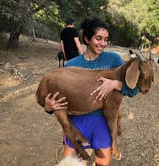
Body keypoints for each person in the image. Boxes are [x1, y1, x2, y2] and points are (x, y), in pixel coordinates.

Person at [45, 18, 139, 166]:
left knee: (103, 162)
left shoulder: (113, 60)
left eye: (106, 39)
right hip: (76, 123)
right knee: (70, 163)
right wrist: (49, 108)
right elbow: (57, 99)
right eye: (98, 38)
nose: (103, 43)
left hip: (102, 121)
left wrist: (115, 84)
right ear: (87, 39)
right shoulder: (71, 64)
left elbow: (133, 90)